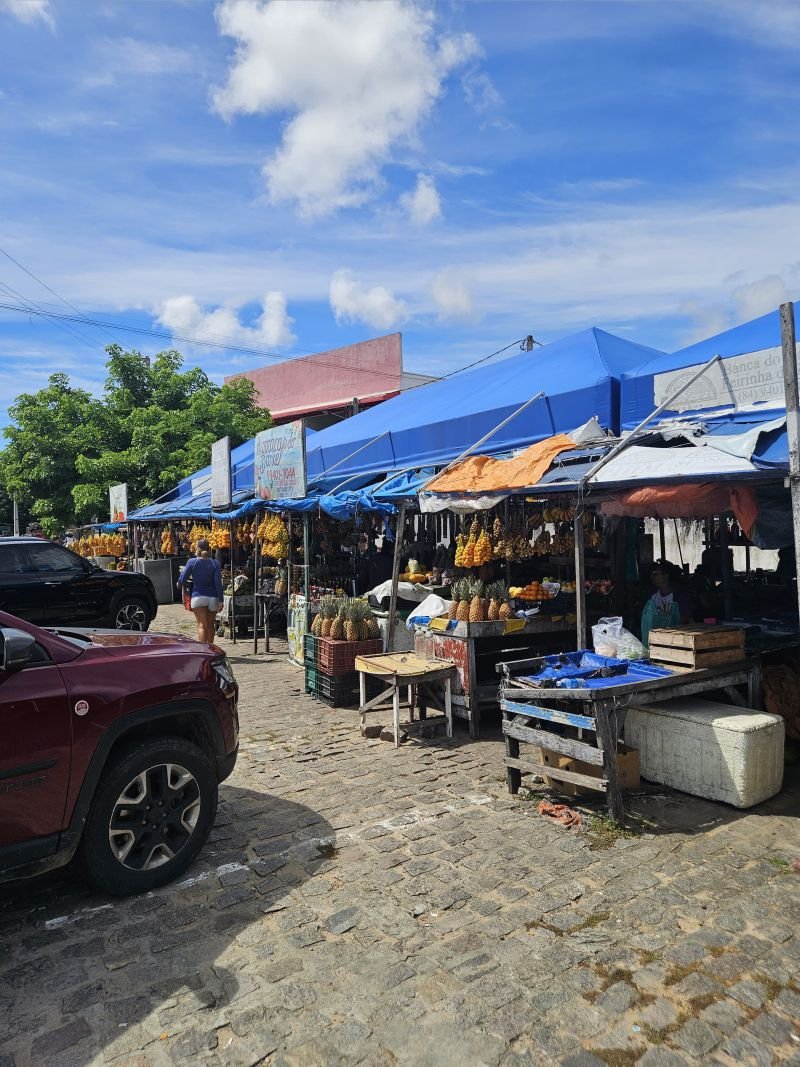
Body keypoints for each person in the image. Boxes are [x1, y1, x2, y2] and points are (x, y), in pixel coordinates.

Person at [177, 538, 224, 644]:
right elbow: (218, 583)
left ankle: (203, 650)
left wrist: (179, 583)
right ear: (209, 548)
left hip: (198, 597)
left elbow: (183, 578)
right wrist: (221, 600)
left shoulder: (192, 562)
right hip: (213, 598)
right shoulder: (215, 563)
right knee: (210, 625)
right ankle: (211, 648)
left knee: (202, 625)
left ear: (197, 548)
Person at [641, 559, 692, 648]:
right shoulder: (652, 597)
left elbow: (684, 620)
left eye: (655, 573)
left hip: (676, 643)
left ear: (666, 576)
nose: (652, 576)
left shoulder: (679, 597)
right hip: (654, 642)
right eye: (652, 573)